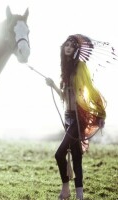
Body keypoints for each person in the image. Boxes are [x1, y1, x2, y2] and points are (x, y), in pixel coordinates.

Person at [45, 34, 107, 200]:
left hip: (78, 118)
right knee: (77, 157)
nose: (68, 47)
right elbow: (64, 97)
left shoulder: (80, 67)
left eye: (72, 46)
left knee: (59, 154)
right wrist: (53, 85)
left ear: (76, 49)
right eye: (67, 44)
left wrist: (100, 112)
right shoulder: (65, 69)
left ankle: (66, 189)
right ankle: (79, 195)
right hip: (67, 117)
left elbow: (90, 89)